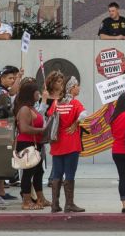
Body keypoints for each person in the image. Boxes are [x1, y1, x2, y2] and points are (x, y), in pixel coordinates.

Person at [46, 71, 88, 213]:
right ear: (71, 88)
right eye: (76, 86)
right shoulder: (75, 103)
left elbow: (49, 116)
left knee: (57, 173)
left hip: (57, 143)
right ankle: (69, 204)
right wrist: (76, 123)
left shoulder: (57, 103)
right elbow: (84, 114)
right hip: (71, 142)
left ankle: (55, 204)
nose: (79, 88)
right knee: (70, 173)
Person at [14, 81, 49, 210]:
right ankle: (26, 201)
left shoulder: (33, 108)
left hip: (36, 143)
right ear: (31, 94)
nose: (39, 94)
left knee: (39, 171)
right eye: (37, 92)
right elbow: (23, 128)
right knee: (28, 173)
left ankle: (41, 198)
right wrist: (41, 131)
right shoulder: (24, 109)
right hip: (26, 144)